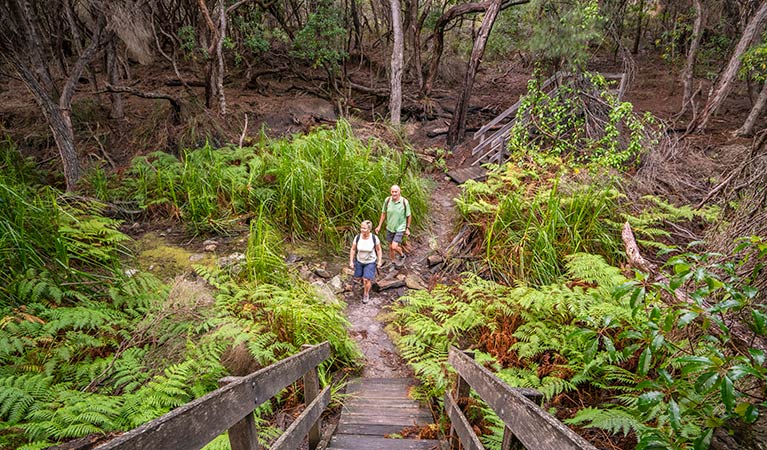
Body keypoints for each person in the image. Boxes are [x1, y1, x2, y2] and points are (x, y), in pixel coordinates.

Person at [375, 184, 411, 265]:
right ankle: (393, 262)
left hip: (400, 228)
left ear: (399, 192)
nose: (394, 193)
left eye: (396, 192)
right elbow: (383, 213)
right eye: (392, 192)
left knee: (394, 246)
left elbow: (409, 215)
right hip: (390, 227)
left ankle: (402, 255)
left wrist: (407, 228)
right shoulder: (387, 200)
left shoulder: (404, 202)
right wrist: (379, 226)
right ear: (390, 192)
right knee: (390, 247)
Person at [349, 220, 383, 303]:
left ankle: (366, 294)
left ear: (369, 229)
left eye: (364, 228)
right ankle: (365, 283)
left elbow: (378, 250)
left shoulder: (374, 238)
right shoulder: (357, 237)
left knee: (366, 279)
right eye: (361, 228)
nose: (362, 230)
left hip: (370, 261)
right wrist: (351, 261)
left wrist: (379, 261)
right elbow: (353, 249)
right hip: (359, 261)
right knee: (359, 277)